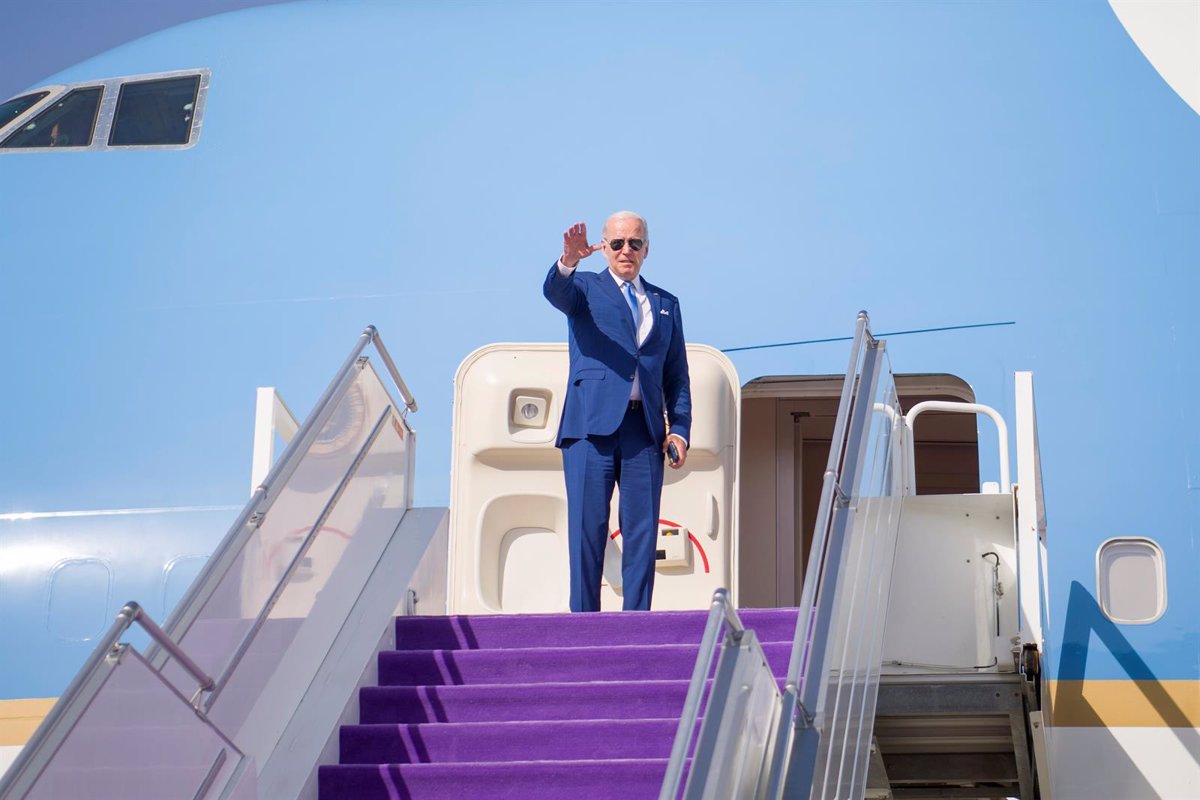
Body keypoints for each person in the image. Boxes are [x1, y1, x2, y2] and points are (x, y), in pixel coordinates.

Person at [543, 211, 691, 612]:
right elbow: (555, 291)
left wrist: (679, 428)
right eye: (618, 243)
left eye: (635, 243)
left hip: (644, 430)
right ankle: (585, 625)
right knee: (587, 530)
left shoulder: (665, 303)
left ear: (647, 249)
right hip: (589, 429)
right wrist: (568, 261)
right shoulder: (584, 288)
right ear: (604, 247)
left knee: (642, 534)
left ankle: (637, 624)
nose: (627, 250)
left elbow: (676, 374)